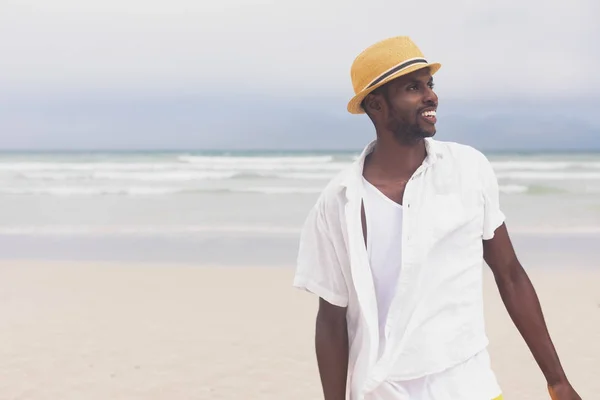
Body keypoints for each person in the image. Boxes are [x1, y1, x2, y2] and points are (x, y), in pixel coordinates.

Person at [292, 36, 581, 400]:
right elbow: (331, 321)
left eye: (430, 84)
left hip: (469, 385)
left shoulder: (468, 170)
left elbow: (509, 274)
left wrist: (557, 380)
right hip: (381, 390)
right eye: (413, 87)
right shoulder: (339, 202)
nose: (431, 96)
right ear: (377, 106)